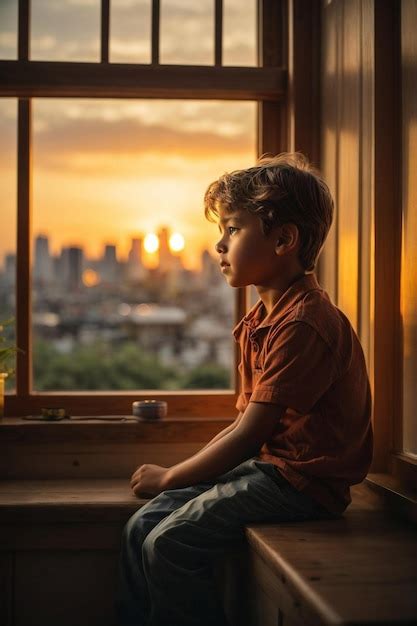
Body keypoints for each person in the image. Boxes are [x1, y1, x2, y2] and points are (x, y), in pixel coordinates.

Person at [116, 152, 373, 626]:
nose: (219, 244)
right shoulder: (262, 321)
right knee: (141, 526)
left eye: (233, 229)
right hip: (270, 470)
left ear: (283, 239)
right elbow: (244, 425)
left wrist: (170, 477)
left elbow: (251, 433)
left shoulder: (305, 323)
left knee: (169, 543)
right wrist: (177, 474)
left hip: (303, 486)